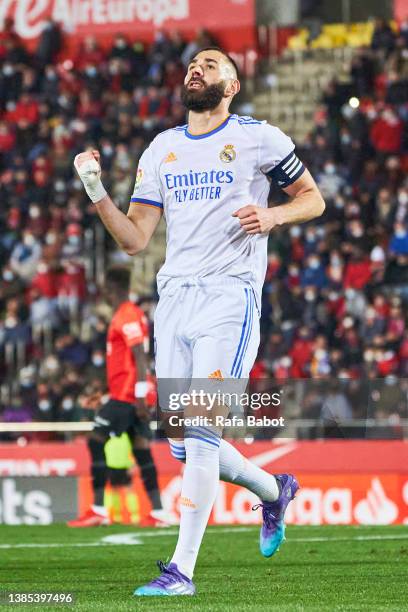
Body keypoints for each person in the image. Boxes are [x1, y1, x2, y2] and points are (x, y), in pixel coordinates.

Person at [74, 47, 325, 596]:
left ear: (232, 84)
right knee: (183, 446)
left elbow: (313, 199)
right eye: (193, 63)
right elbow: (135, 239)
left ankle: (181, 571)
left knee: (204, 432)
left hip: (228, 299)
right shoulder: (162, 148)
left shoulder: (261, 137)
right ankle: (273, 488)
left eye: (211, 64)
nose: (197, 68)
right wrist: (95, 189)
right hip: (174, 303)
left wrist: (274, 214)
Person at [68, 266, 167, 527]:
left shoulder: (127, 315)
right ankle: (157, 513)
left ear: (112, 288)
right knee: (142, 451)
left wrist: (139, 397)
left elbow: (140, 357)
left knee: (95, 440)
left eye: (106, 289)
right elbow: (125, 360)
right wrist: (104, 393)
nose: (104, 294)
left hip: (127, 396)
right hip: (126, 393)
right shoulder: (128, 314)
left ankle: (99, 509)